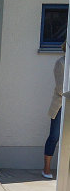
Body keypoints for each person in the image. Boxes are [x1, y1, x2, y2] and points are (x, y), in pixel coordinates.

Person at [44, 42, 65, 179]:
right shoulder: (61, 63)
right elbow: (60, 88)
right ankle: (46, 169)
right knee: (54, 136)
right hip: (61, 105)